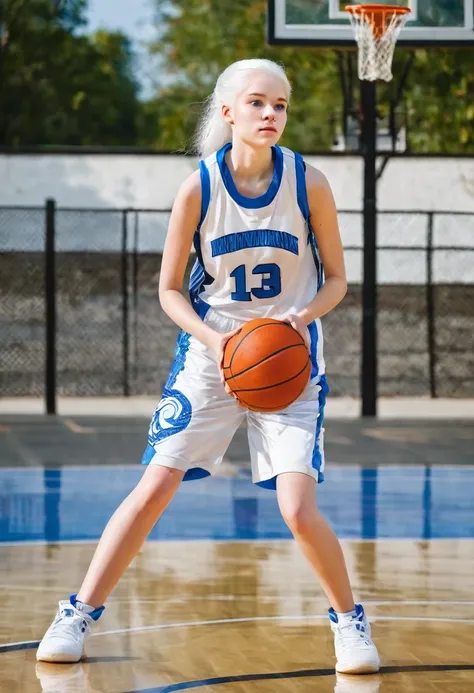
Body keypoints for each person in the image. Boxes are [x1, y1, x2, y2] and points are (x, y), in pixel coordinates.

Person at [36, 58, 380, 675]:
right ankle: (78, 612)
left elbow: (338, 282)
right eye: (256, 103)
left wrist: (297, 321)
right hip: (211, 356)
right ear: (228, 112)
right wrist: (216, 338)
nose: (270, 114)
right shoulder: (199, 187)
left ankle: (349, 622)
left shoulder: (310, 183)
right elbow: (170, 290)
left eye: (280, 104)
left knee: (298, 509)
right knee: (153, 489)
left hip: (287, 358)